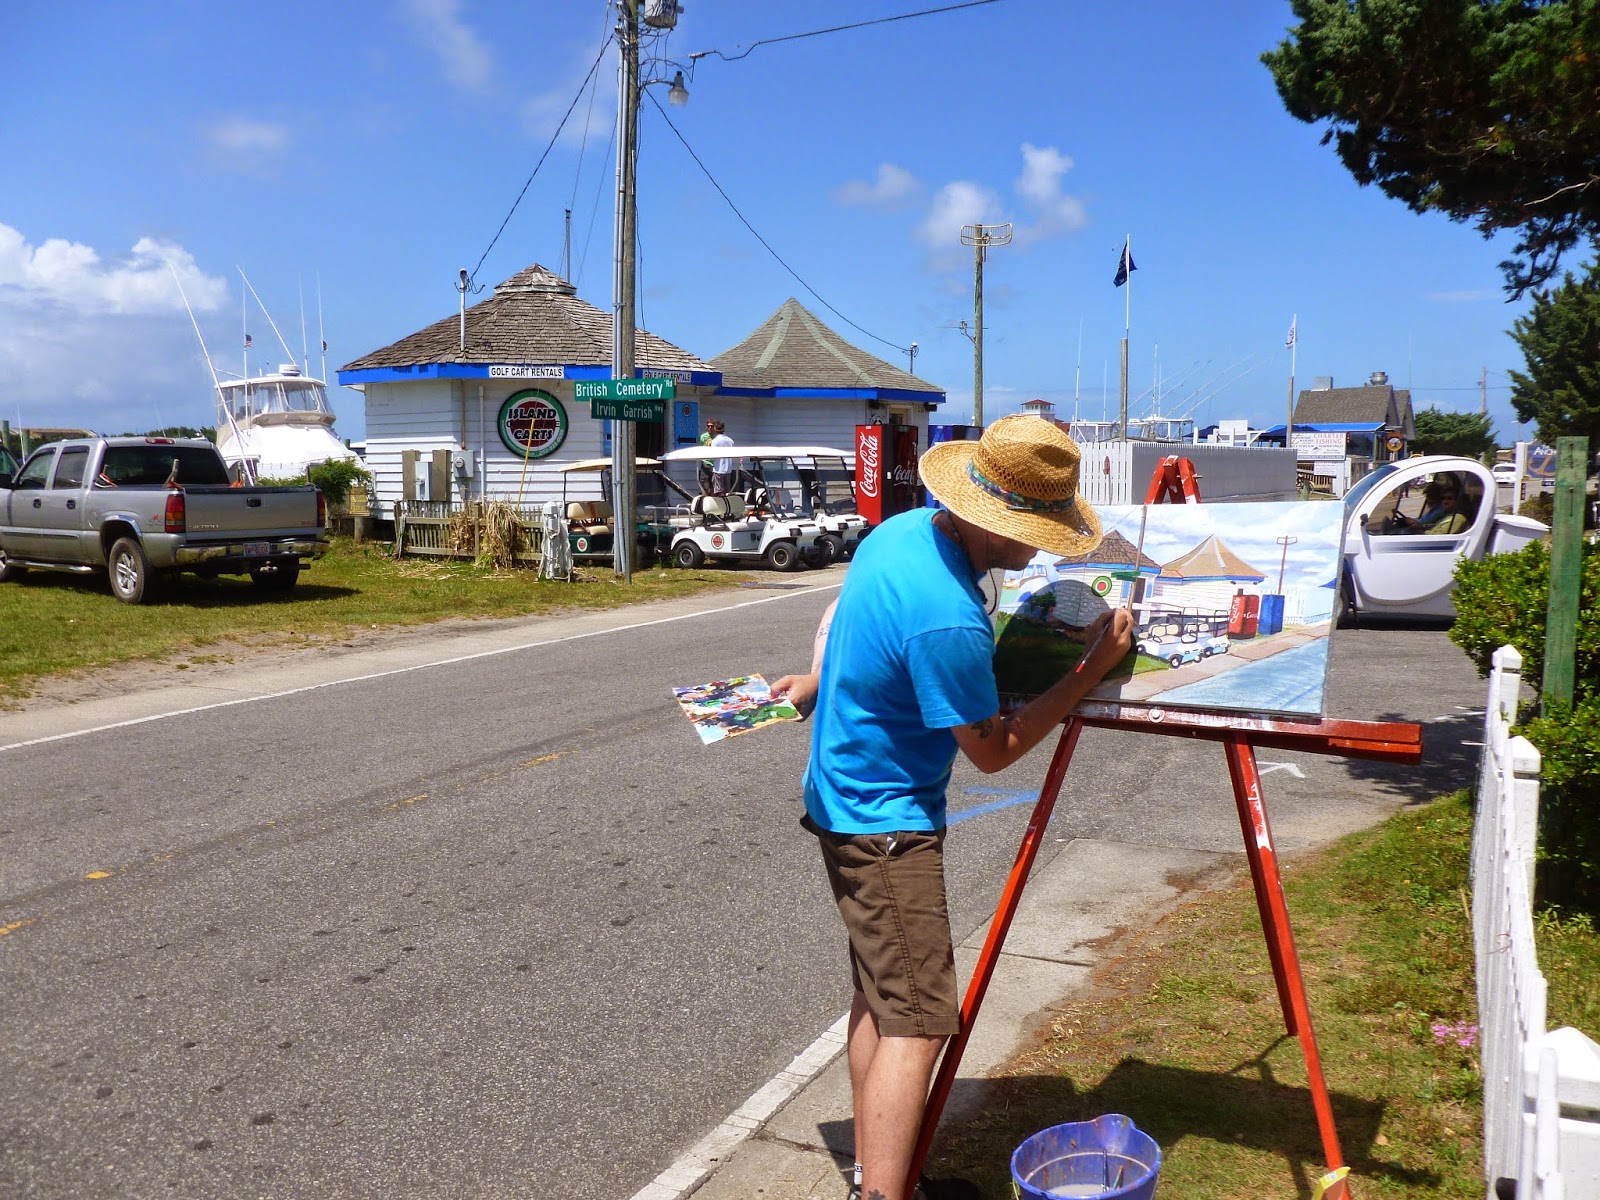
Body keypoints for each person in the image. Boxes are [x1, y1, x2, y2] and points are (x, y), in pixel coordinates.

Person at [772, 416, 1134, 1200]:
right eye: (1035, 531)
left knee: (882, 998)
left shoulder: (898, 534)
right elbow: (995, 750)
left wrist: (815, 684)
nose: (1042, 547)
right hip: (886, 827)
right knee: (922, 1022)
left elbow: (859, 632)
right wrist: (1084, 674)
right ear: (988, 520)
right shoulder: (951, 618)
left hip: (844, 800)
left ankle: (879, 1175)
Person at [709, 420, 735, 496]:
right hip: (728, 469)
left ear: (715, 429)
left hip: (718, 469)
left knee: (719, 492)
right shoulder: (730, 441)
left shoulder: (715, 441)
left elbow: (712, 455)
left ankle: (721, 507)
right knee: (727, 493)